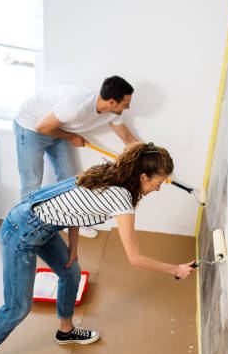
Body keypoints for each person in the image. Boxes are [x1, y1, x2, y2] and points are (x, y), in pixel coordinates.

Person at [0, 142, 195, 354]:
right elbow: (135, 258)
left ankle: (65, 331)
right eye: (158, 182)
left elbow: (75, 208)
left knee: (71, 273)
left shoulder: (111, 173)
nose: (158, 189)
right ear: (142, 176)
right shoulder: (121, 198)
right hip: (21, 230)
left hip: (42, 228)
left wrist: (73, 247)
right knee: (18, 307)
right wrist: (175, 269)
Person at [13, 75, 138, 238]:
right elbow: (41, 127)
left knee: (70, 179)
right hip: (30, 128)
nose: (128, 107)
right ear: (112, 102)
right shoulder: (76, 105)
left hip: (58, 129)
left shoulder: (113, 113)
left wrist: (149, 158)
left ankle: (70, 223)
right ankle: (26, 231)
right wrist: (71, 137)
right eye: (126, 104)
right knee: (32, 182)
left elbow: (129, 140)